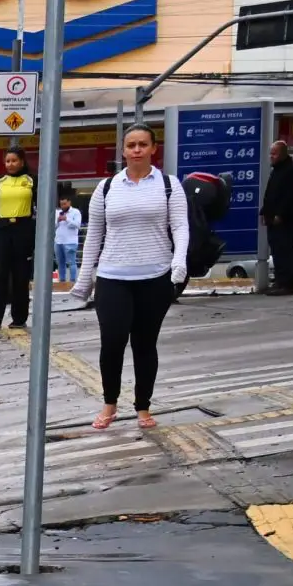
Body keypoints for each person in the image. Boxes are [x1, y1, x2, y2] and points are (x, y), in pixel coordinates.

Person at [77, 124, 190, 432]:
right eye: (131, 145)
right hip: (113, 276)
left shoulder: (169, 185)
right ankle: (110, 403)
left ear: (154, 148)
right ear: (123, 150)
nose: (137, 149)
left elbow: (180, 227)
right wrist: (84, 279)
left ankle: (143, 407)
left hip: (155, 277)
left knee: (144, 344)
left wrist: (178, 261)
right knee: (112, 341)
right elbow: (94, 235)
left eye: (143, 144)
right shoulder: (107, 188)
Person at [0, 146, 36, 331]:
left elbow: (46, 201)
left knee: (21, 277)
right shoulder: (1, 180)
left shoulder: (31, 180)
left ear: (22, 161)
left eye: (14, 160)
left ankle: (19, 318)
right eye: (7, 161)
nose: (11, 164)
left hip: (23, 229)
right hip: (4, 230)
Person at [264, 139, 293, 296]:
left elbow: (290, 196)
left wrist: (281, 214)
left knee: (286, 251)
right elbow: (270, 193)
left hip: (285, 220)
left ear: (283, 154)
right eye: (271, 153)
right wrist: (264, 212)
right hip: (273, 218)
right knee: (277, 251)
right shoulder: (276, 170)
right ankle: (280, 281)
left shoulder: (291, 171)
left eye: (274, 153)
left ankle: (287, 284)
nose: (271, 156)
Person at [53, 193, 82, 290]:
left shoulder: (75, 212)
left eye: (65, 204)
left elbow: (78, 225)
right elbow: (54, 227)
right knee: (60, 262)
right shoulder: (58, 212)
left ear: (69, 202)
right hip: (58, 241)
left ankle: (73, 282)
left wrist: (67, 219)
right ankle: (62, 281)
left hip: (70, 241)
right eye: (61, 204)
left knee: (71, 262)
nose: (63, 206)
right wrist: (58, 220)